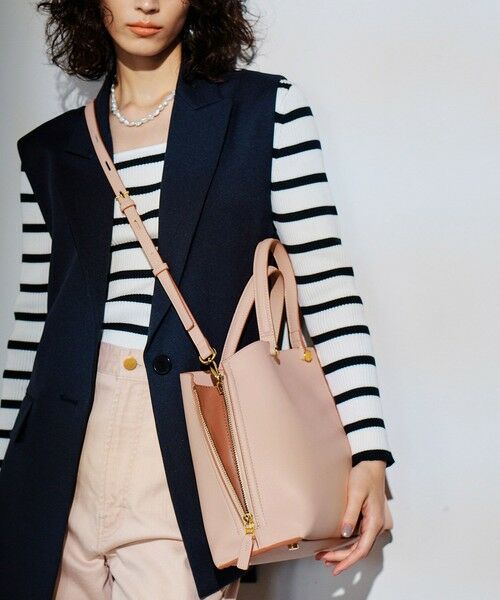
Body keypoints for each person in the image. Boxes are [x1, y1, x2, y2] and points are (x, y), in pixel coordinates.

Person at [0, 0, 396, 598]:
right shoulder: (52, 149)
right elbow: (37, 318)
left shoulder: (264, 112)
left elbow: (326, 282)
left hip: (187, 445)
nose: (147, 3)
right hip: (56, 456)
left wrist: (368, 448)